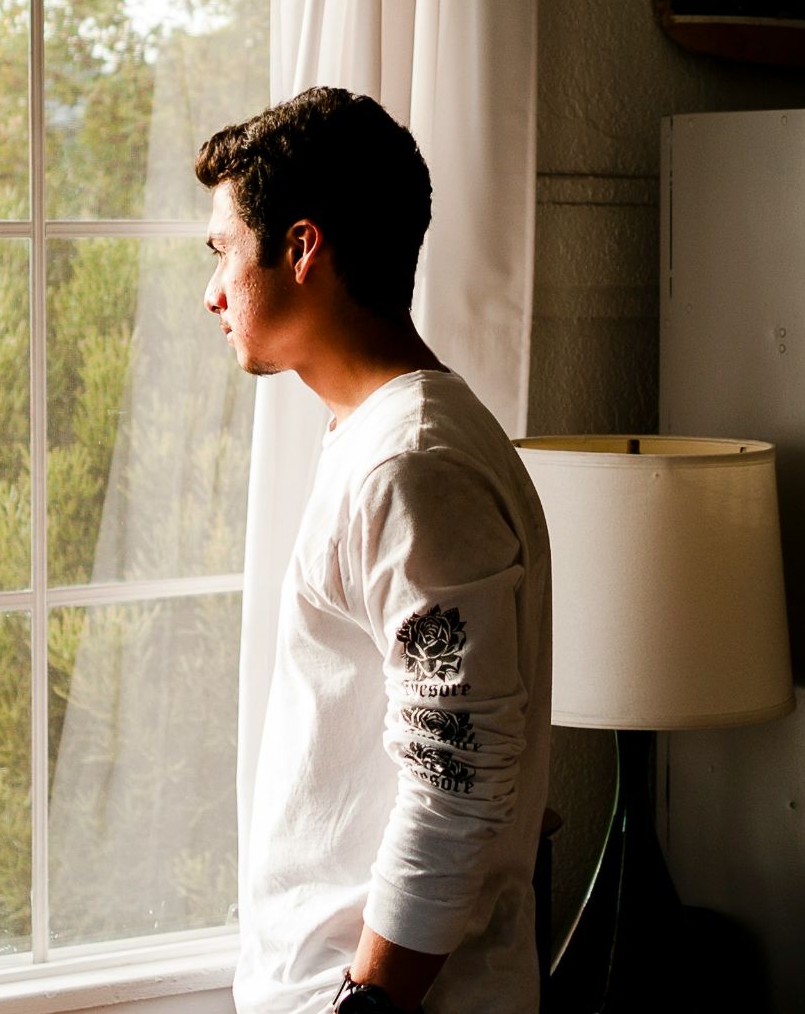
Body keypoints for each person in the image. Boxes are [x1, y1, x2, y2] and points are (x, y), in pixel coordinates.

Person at [197, 87, 551, 1014]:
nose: (213, 293)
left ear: (302, 247)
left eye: (224, 252)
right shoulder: (384, 438)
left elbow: (459, 777)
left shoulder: (412, 463)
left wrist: (367, 1005)